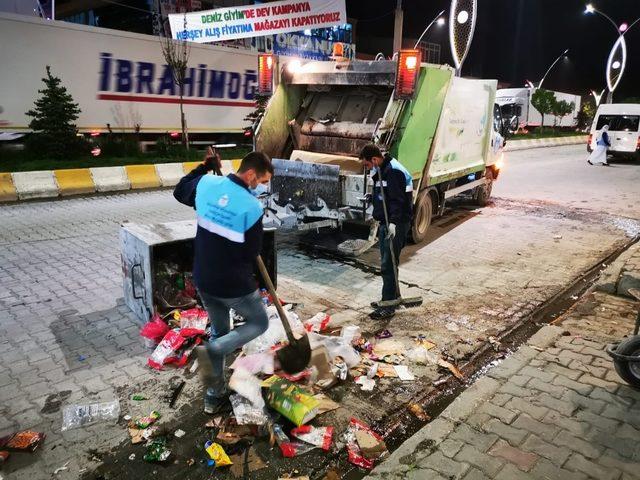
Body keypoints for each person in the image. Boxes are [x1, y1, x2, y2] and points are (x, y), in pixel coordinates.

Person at [173, 150, 273, 413]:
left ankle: (212, 396)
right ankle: (214, 349)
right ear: (251, 175)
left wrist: (203, 167)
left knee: (220, 330)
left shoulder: (207, 184)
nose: (261, 187)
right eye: (261, 181)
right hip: (233, 284)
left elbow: (180, 190)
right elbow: (250, 254)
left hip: (203, 278)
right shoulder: (252, 207)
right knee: (259, 322)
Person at [359, 144, 413, 320]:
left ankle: (388, 305)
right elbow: (384, 194)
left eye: (367, 165)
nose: (367, 169)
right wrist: (372, 197)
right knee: (389, 262)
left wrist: (394, 223)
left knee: (388, 264)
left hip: (395, 223)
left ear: (374, 159)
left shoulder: (393, 171)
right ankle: (392, 297)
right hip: (386, 221)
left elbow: (397, 201)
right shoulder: (382, 170)